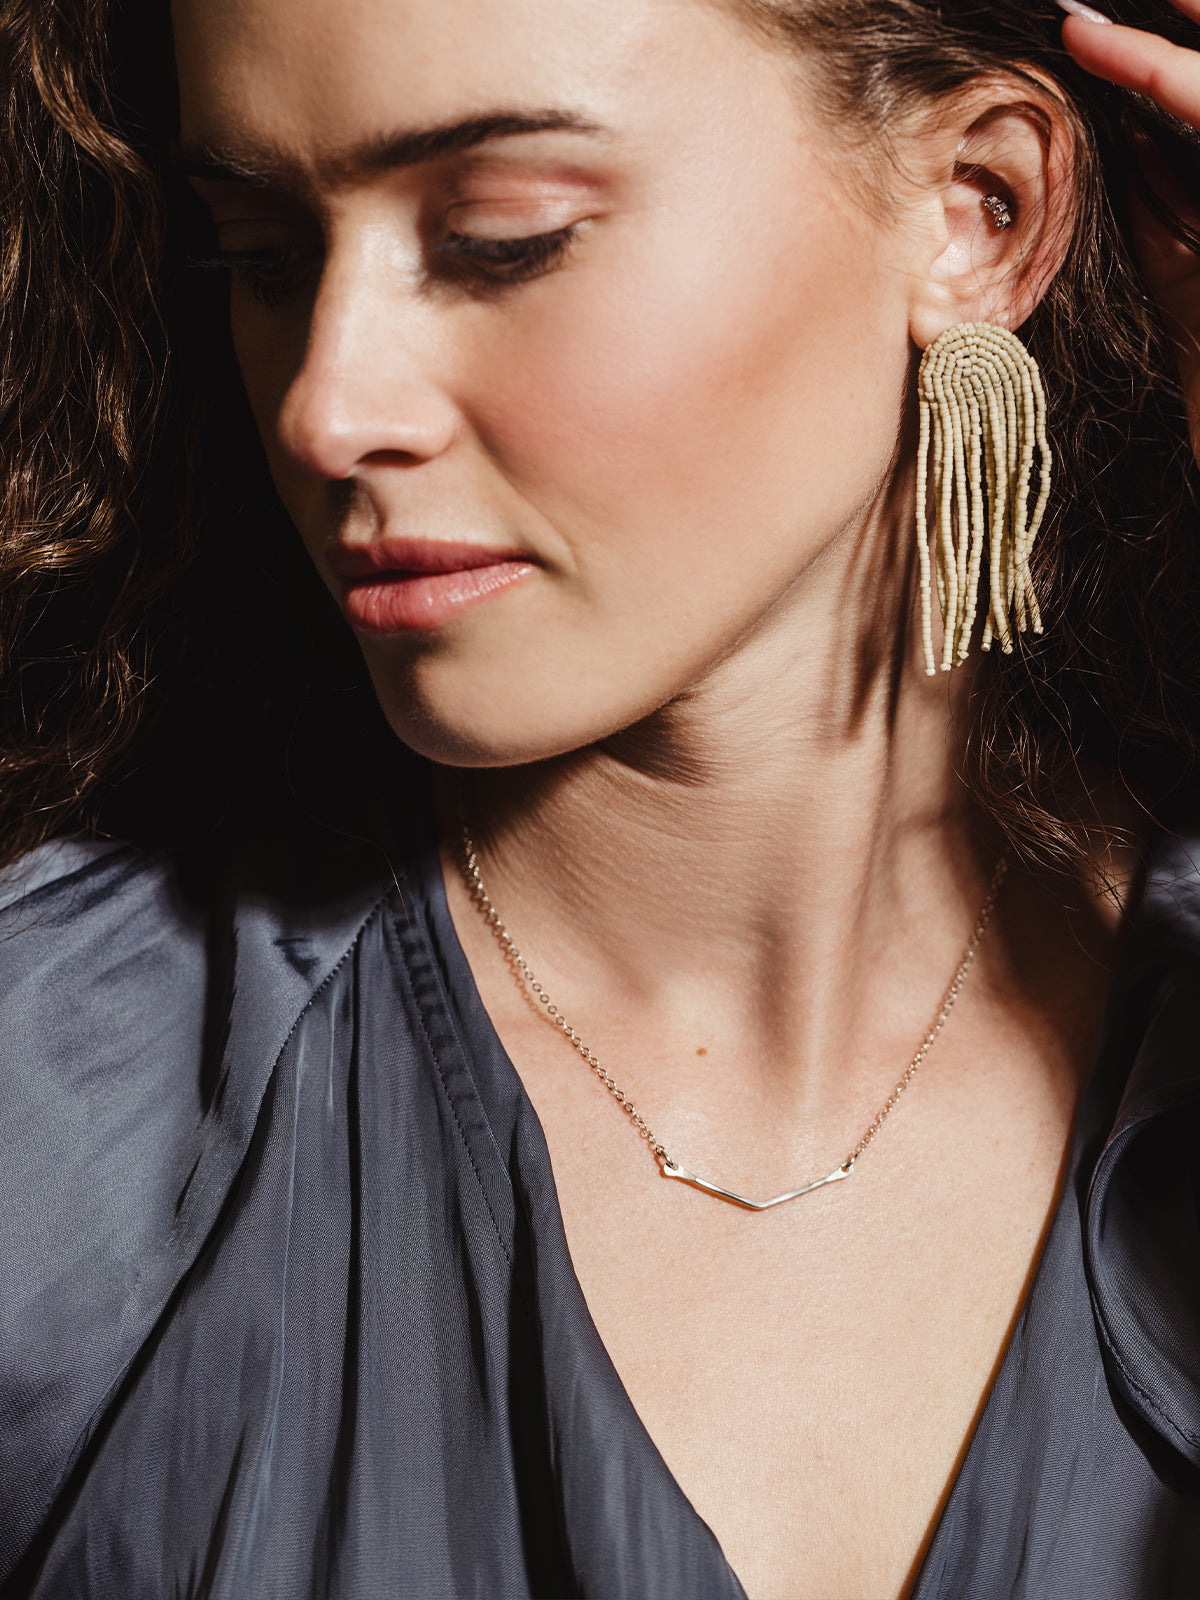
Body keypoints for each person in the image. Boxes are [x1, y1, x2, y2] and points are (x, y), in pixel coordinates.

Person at [2, 0, 1200, 1595]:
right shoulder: (55, 1107)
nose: (326, 406)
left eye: (504, 238)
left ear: (982, 210)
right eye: (264, 254)